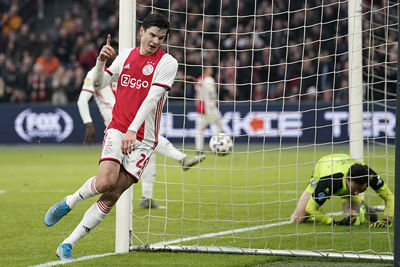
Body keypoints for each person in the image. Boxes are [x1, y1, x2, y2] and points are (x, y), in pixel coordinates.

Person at [44, 14, 179, 260]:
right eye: (152, 35)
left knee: (113, 193)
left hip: (145, 140)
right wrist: (100, 62)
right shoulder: (126, 56)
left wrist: (133, 131)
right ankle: (69, 202)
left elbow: (151, 100)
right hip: (118, 128)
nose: (155, 41)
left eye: (161, 37)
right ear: (141, 31)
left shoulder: (168, 63)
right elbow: (98, 84)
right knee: (105, 182)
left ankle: (67, 244)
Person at [77, 41, 205, 209]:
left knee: (148, 152)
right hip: (116, 121)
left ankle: (147, 196)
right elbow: (82, 100)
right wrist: (89, 124)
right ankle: (181, 159)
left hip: (132, 116)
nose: (116, 55)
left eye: (116, 52)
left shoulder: (124, 66)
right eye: (112, 52)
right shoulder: (95, 73)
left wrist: (178, 79)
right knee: (151, 141)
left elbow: (150, 80)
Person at [291, 154, 394, 227]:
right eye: (354, 189)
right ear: (346, 179)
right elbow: (310, 208)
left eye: (361, 190)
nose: (356, 193)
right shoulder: (328, 180)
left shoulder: (369, 175)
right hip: (323, 169)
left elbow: (390, 196)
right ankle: (357, 207)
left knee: (353, 221)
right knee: (297, 219)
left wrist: (386, 221)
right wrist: (331, 221)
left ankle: (361, 208)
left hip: (345, 164)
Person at [194, 66, 222, 153]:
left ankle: (199, 149)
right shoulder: (209, 79)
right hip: (209, 107)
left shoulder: (198, 80)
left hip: (200, 107)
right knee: (219, 124)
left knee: (200, 129)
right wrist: (216, 101)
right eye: (210, 69)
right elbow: (213, 93)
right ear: (206, 70)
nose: (212, 70)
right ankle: (216, 145)